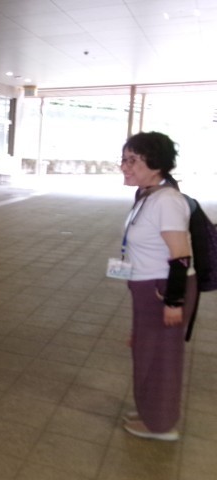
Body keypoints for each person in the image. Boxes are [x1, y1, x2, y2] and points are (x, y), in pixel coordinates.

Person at [118, 131, 197, 441]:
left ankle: (161, 426)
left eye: (133, 160)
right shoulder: (148, 194)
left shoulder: (167, 201)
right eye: (124, 159)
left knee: (161, 358)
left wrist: (173, 302)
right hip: (147, 287)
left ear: (156, 164)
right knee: (145, 351)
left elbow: (180, 255)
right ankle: (150, 411)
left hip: (163, 290)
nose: (125, 167)